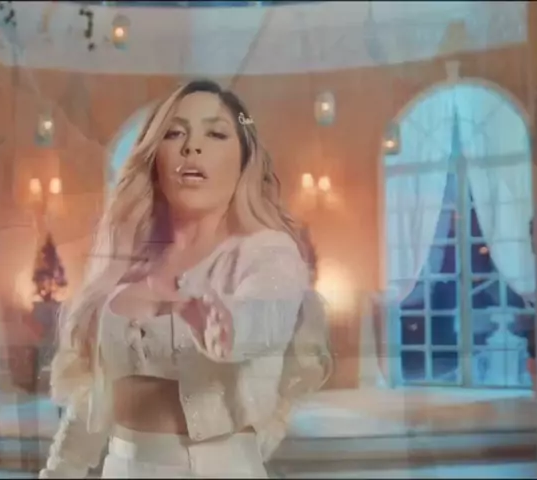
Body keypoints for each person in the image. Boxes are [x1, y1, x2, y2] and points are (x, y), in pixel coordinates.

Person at [39, 79, 332, 478]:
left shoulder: (267, 251)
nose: (192, 147)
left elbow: (267, 314)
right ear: (153, 157)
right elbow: (91, 397)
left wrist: (227, 328)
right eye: (175, 133)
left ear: (244, 159)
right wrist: (60, 470)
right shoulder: (125, 260)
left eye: (216, 134)